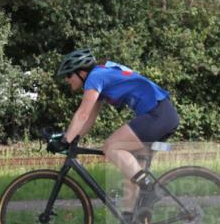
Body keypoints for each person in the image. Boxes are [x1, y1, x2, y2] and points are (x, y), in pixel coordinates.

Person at [51, 48, 179, 215]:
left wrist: (65, 140)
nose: (67, 80)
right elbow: (89, 118)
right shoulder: (101, 75)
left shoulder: (94, 77)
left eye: (69, 75)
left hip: (158, 114)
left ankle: (150, 190)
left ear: (81, 73)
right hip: (163, 114)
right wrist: (74, 138)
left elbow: (82, 114)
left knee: (111, 146)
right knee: (131, 170)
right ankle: (129, 221)